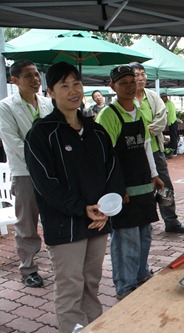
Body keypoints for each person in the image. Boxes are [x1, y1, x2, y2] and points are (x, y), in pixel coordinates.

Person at [24, 62, 125, 333]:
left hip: (98, 221)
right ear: (51, 93)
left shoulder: (97, 131)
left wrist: (106, 209)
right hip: (65, 224)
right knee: (70, 286)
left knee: (91, 282)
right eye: (64, 86)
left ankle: (95, 326)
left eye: (76, 84)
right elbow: (46, 185)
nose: (73, 91)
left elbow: (112, 172)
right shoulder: (41, 134)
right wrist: (82, 208)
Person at [95, 65, 164, 300]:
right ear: (112, 87)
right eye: (123, 83)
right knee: (126, 237)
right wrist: (116, 188)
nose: (129, 87)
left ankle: (142, 274)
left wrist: (155, 175)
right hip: (123, 187)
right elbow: (104, 157)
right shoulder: (108, 115)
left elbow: (146, 145)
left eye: (132, 81)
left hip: (143, 183)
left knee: (144, 232)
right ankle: (125, 285)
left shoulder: (138, 110)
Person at [0, 60, 53, 288]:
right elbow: (13, 142)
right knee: (27, 224)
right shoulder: (5, 107)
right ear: (15, 80)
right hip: (25, 173)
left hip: (52, 172)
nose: (35, 79)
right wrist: (44, 161)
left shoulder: (47, 103)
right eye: (28, 76)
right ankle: (29, 269)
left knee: (54, 218)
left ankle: (60, 262)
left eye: (36, 75)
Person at [129, 62, 184, 233]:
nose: (140, 78)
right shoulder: (125, 97)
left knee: (165, 185)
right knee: (142, 188)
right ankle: (145, 222)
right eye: (136, 74)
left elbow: (162, 119)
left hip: (155, 150)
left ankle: (171, 221)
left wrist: (143, 131)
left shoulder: (152, 96)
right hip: (134, 153)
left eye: (143, 74)